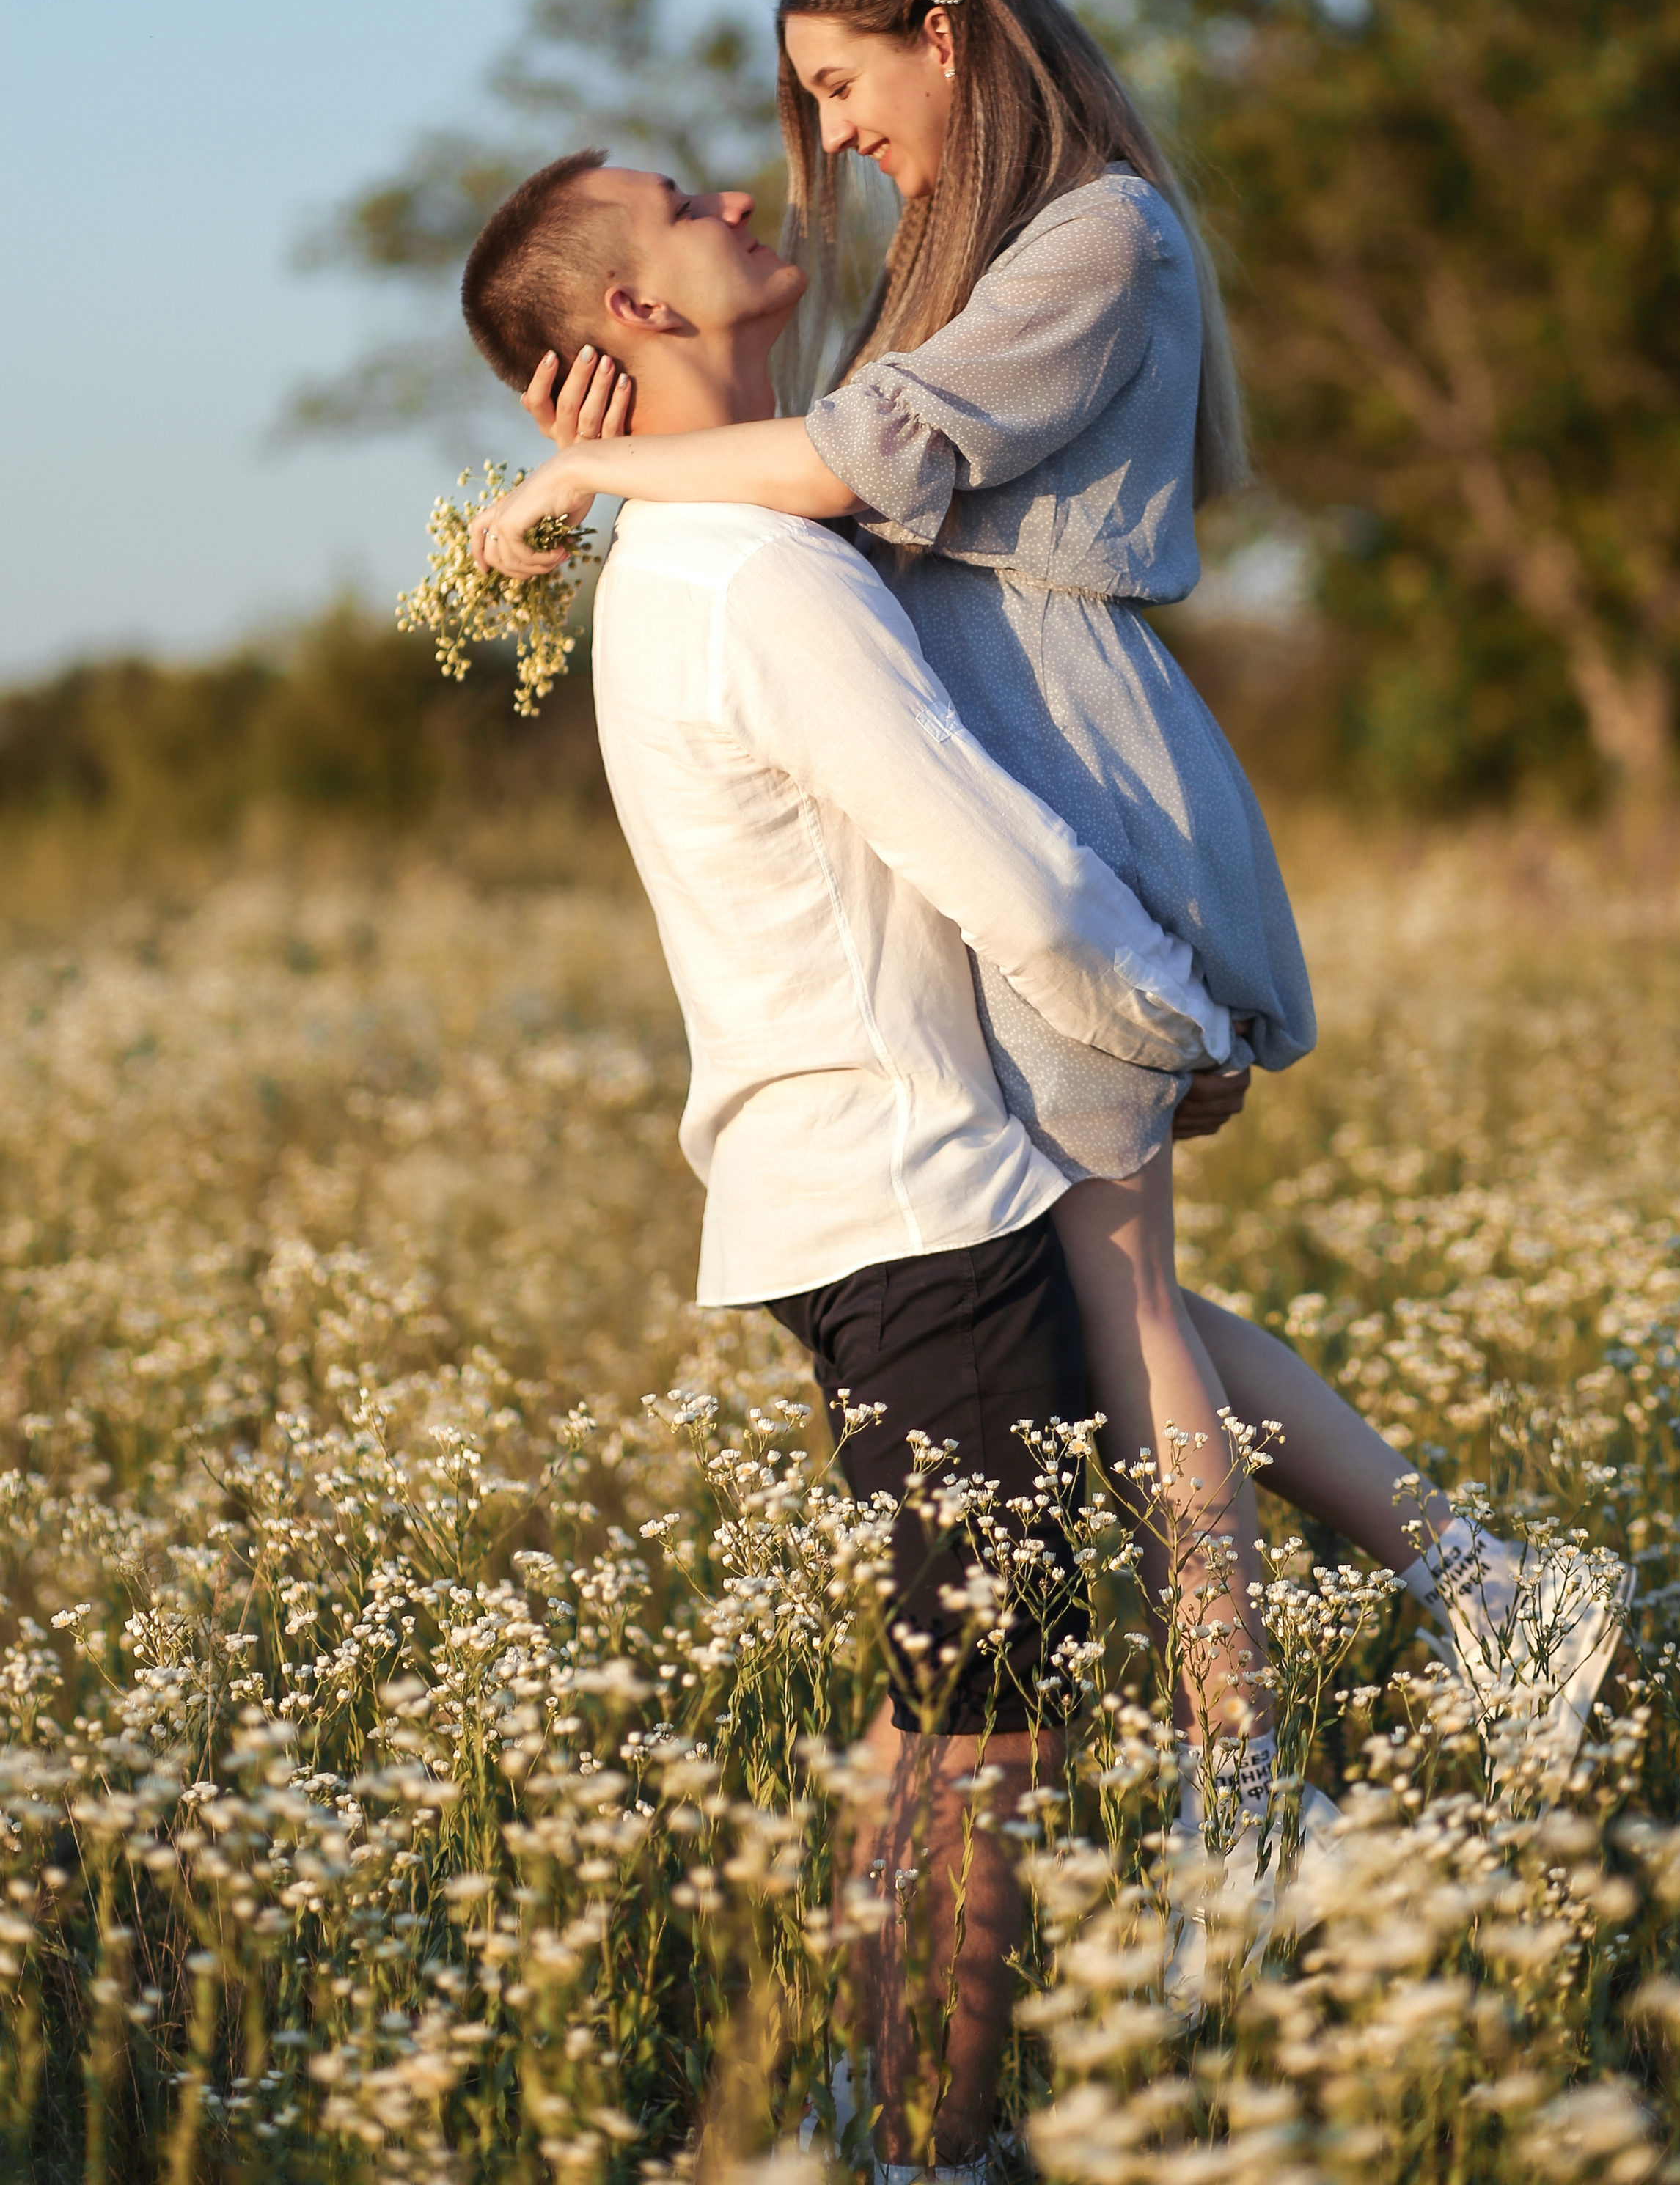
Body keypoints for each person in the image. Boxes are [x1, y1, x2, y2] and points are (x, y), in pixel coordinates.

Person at [471, 0, 1632, 1775]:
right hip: (1017, 792)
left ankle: (1234, 1766)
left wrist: (595, 470)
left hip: (1067, 793)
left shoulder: (1094, 240)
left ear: (945, 35)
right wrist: (597, 482)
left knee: (1117, 1294)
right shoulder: (967, 251)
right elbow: (793, 511)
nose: (826, 140)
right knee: (1119, 1297)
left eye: (840, 85)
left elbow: (846, 473)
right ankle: (1480, 1583)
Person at [455, 150, 1247, 2175]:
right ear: (633, 321)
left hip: (835, 1203)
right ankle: (932, 2138)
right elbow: (1000, 870)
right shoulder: (765, 578)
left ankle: (884, 2099)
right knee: (992, 1727)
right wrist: (1177, 1022)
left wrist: (565, 505)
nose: (739, 185)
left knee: (939, 1695)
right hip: (921, 1203)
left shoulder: (689, 557)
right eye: (681, 205)